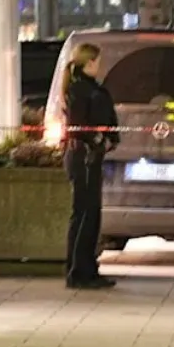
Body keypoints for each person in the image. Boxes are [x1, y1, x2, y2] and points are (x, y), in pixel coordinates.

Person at [62, 43, 120, 289]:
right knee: (84, 214)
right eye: (97, 61)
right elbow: (78, 126)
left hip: (92, 157)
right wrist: (98, 140)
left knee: (91, 214)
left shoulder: (92, 88)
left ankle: (87, 268)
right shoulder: (79, 90)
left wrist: (110, 139)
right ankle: (78, 271)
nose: (100, 65)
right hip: (83, 157)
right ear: (89, 62)